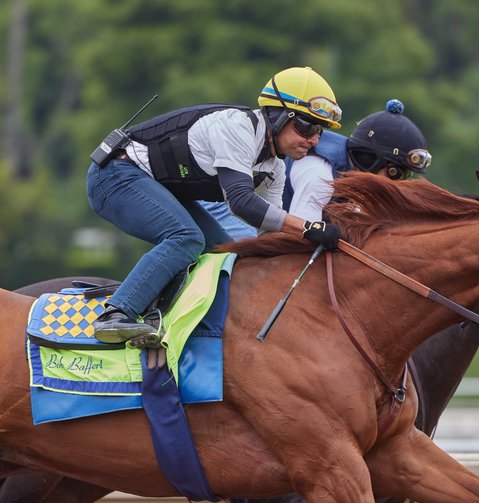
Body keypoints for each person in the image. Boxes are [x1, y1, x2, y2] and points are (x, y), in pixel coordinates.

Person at [86, 66, 345, 345]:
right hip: (114, 176)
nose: (314, 140)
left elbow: (270, 236)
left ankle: (166, 319)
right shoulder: (238, 128)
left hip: (158, 186)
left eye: (319, 131)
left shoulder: (274, 169)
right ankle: (117, 314)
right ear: (280, 115)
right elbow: (242, 202)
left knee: (228, 256)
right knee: (187, 238)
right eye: (306, 127)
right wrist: (308, 227)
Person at [205, 98, 431, 238]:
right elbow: (302, 236)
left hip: (260, 217)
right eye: (396, 174)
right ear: (371, 160)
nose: (399, 184)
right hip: (227, 209)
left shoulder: (347, 171)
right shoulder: (319, 173)